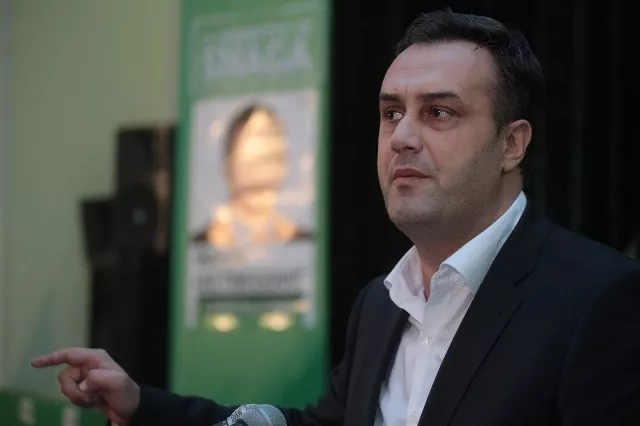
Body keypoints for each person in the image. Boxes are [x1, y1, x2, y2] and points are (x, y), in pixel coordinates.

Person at [32, 10, 640, 426]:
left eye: (439, 113)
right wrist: (143, 404)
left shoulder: (600, 299)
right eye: (391, 113)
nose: (402, 137)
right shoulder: (380, 303)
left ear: (512, 144)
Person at [192, 104, 312, 249]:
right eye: (252, 163)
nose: (261, 177)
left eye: (271, 159)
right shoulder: (200, 246)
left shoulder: (304, 243)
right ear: (227, 166)